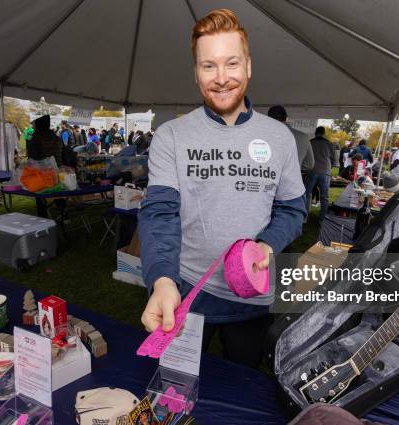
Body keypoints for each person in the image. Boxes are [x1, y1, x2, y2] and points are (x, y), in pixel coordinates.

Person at [138, 8, 306, 369]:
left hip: (251, 298)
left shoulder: (279, 138)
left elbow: (294, 208)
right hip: (185, 292)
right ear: (196, 73)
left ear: (248, 66)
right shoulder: (171, 136)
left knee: (241, 392)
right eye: (208, 66)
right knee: (174, 391)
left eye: (231, 63)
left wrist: (268, 243)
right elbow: (159, 213)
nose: (221, 78)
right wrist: (162, 280)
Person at [267, 105, 314, 215]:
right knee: (288, 217)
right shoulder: (303, 136)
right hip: (293, 185)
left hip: (268, 184)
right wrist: (296, 168)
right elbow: (310, 164)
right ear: (286, 118)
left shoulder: (263, 135)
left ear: (268, 118)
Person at [27, 115, 63, 217]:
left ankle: (43, 217)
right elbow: (63, 154)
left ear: (39, 124)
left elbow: (32, 158)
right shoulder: (56, 138)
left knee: (40, 195)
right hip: (57, 170)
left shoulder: (36, 138)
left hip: (42, 172)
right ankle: (63, 214)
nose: (33, 126)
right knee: (59, 192)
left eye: (34, 124)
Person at [307, 126, 337, 221]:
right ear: (324, 133)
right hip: (325, 171)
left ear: (315, 133)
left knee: (307, 194)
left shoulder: (310, 142)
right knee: (324, 196)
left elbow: (306, 157)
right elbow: (334, 160)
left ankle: (304, 217)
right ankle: (322, 218)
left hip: (312, 170)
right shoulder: (329, 144)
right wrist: (328, 167)